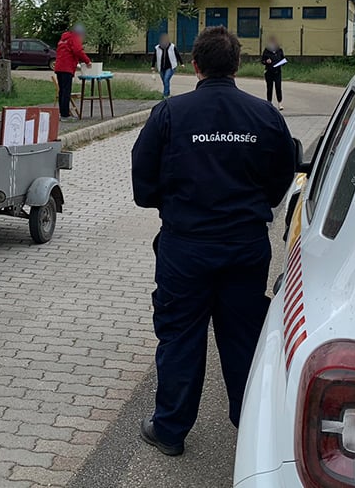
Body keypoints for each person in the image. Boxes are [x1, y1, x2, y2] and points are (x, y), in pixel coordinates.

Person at [130, 26, 297, 457]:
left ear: (196, 64)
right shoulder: (266, 117)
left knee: (180, 335)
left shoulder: (169, 114)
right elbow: (282, 178)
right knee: (243, 335)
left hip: (185, 248)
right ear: (238, 65)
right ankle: (252, 426)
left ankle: (169, 429)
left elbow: (143, 185)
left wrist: (173, 203)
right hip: (245, 247)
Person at [54, 24, 92, 119]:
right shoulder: (74, 38)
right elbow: (78, 51)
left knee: (62, 91)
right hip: (67, 68)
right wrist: (87, 61)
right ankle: (65, 115)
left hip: (59, 67)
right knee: (66, 91)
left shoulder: (63, 39)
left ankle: (62, 113)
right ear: (80, 33)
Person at [151, 33, 182, 98]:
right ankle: (167, 93)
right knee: (164, 81)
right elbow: (154, 57)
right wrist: (153, 66)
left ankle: (165, 95)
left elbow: (177, 55)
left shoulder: (172, 47)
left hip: (170, 67)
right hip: (161, 67)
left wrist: (181, 63)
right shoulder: (157, 48)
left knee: (166, 79)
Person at [261, 35, 286, 110]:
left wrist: (283, 62)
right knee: (269, 87)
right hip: (269, 71)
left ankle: (280, 103)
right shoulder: (266, 51)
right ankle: (269, 103)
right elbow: (262, 60)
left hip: (277, 71)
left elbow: (283, 59)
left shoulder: (279, 50)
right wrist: (266, 61)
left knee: (278, 87)